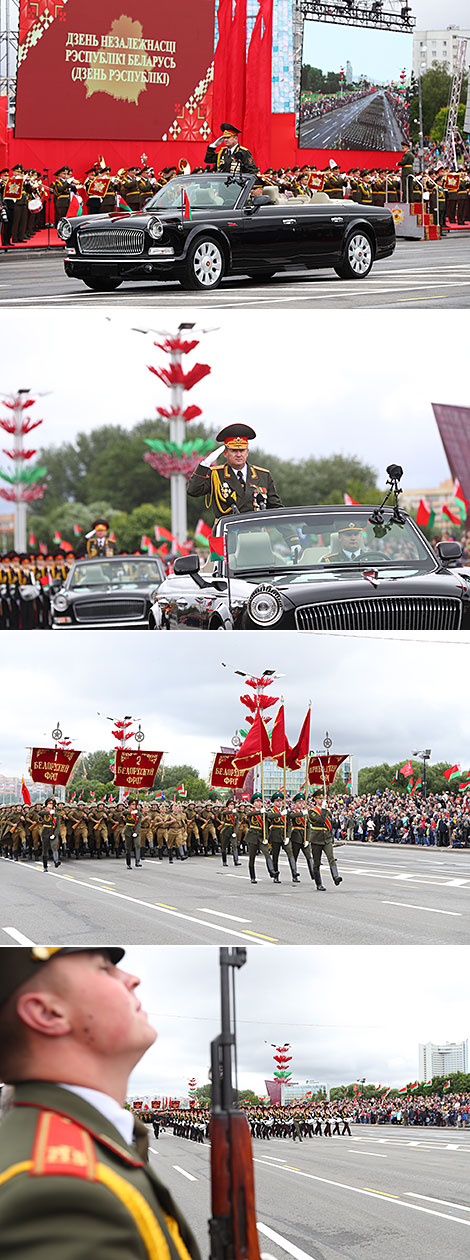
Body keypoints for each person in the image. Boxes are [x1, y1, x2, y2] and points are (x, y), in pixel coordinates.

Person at [0, 947, 201, 1260]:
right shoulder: (58, 1190)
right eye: (105, 969)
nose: (132, 979)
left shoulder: (95, 1143)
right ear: (48, 1013)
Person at [187, 423, 283, 524]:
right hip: (228, 534)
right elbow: (193, 491)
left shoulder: (263, 475)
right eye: (234, 451)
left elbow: (276, 508)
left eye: (242, 450)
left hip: (258, 533)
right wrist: (205, 465)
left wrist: (291, 537)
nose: (238, 455)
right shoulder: (215, 475)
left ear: (247, 452)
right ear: (225, 453)